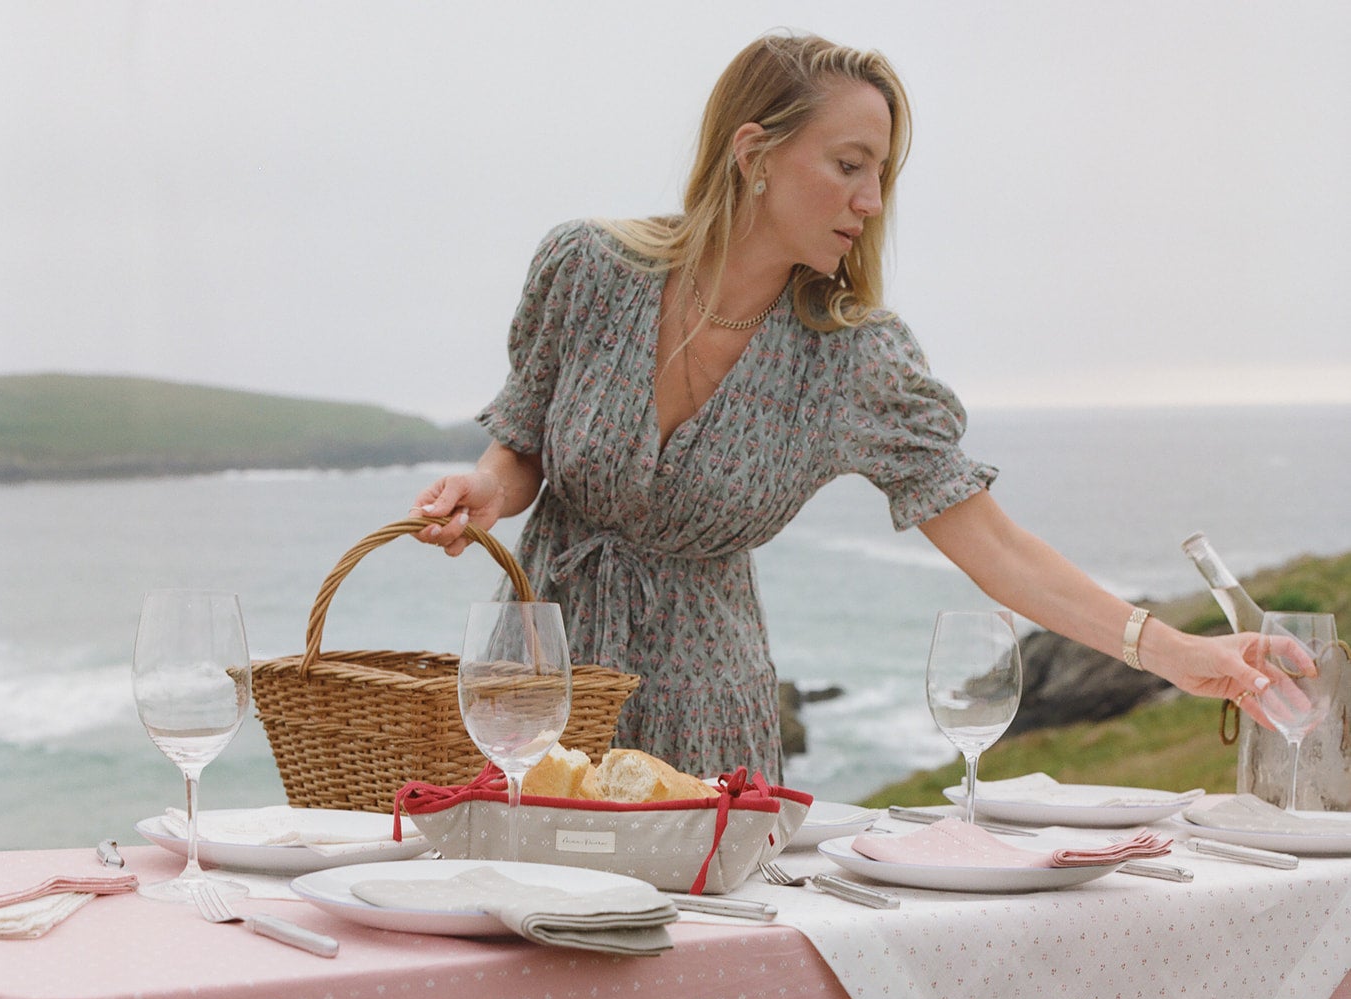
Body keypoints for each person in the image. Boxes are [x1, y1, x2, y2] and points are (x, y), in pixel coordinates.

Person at [410, 31, 1278, 781]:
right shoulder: (587, 269)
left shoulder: (852, 356)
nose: (870, 201)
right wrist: (489, 487)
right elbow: (521, 443)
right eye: (848, 165)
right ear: (752, 154)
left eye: (882, 174)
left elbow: (996, 547)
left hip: (705, 714)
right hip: (534, 692)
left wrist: (1176, 655)